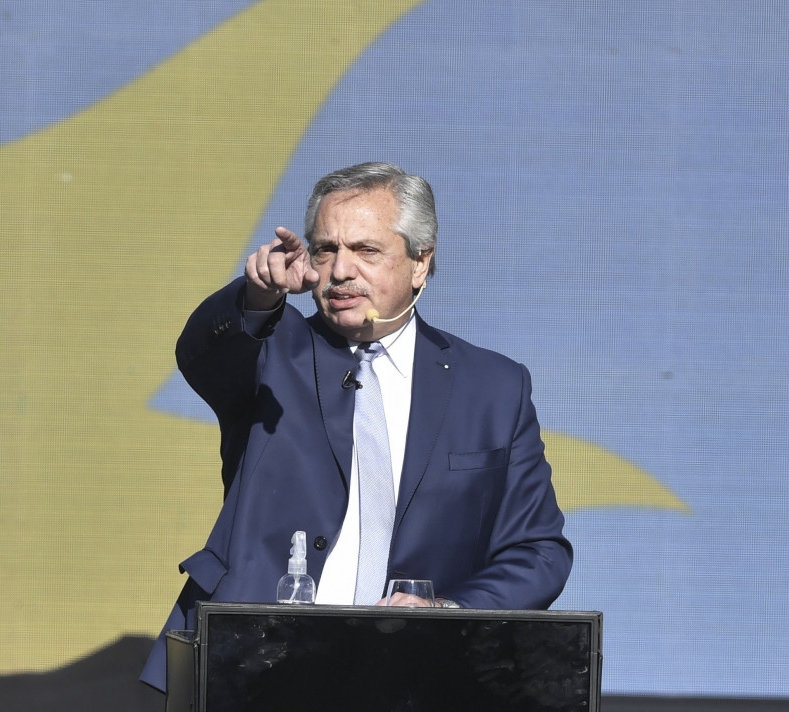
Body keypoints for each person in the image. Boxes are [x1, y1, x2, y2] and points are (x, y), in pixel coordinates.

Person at [140, 162, 572, 691]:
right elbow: (203, 352)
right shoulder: (274, 349)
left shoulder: (494, 387)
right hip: (250, 666)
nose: (340, 270)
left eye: (366, 251)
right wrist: (256, 298)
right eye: (325, 250)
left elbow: (538, 552)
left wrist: (449, 610)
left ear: (420, 262)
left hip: (408, 676)